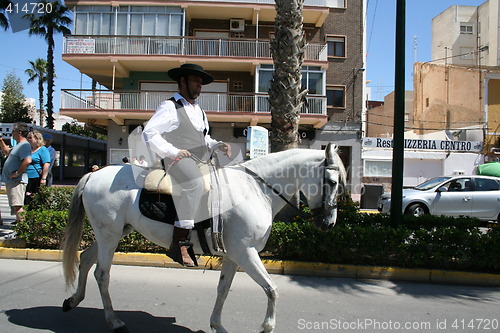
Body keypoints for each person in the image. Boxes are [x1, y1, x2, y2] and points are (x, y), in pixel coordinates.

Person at [143, 63, 231, 267]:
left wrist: (218, 145)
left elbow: (203, 139)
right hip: (175, 159)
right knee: (196, 184)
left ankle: (205, 235)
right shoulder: (170, 106)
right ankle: (179, 242)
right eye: (196, 81)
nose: (200, 85)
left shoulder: (199, 110)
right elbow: (150, 133)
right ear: (182, 81)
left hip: (198, 158)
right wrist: (173, 151)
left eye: (201, 82)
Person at [0, 123, 32, 224]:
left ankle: (24, 231)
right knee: (15, 206)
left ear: (19, 132)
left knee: (18, 207)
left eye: (13, 131)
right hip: (12, 181)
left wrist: (17, 173)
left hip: (17, 181)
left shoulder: (24, 146)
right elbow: (7, 152)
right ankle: (21, 229)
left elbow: (27, 160)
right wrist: (0, 140)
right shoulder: (18, 146)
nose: (12, 133)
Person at [25, 130, 50, 205]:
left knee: (35, 197)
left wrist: (43, 178)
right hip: (26, 177)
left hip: (36, 177)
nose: (28, 139)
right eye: (27, 138)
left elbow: (46, 164)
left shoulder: (43, 150)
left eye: (30, 138)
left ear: (37, 139)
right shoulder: (28, 150)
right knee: (27, 197)